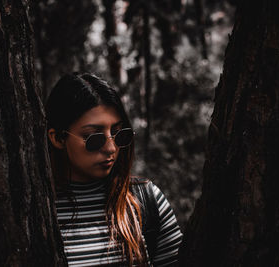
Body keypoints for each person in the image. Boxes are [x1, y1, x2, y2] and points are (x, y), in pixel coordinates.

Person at [45, 73, 182, 267]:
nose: (111, 149)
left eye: (118, 134)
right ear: (58, 138)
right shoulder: (33, 211)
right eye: (94, 138)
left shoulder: (145, 201)